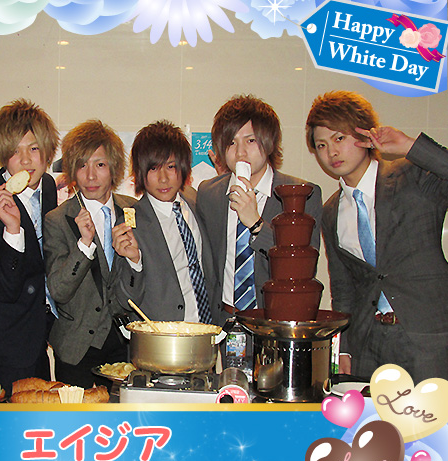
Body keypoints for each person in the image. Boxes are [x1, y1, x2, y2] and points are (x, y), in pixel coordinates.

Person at [306, 90, 448, 380]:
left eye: (339, 138)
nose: (331, 152)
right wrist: (344, 348)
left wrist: (409, 145)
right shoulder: (331, 210)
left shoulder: (412, 176)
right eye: (321, 145)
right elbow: (344, 287)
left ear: (364, 134)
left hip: (427, 338)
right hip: (368, 344)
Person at [197, 95, 322, 327]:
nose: (240, 152)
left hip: (276, 323)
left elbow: (304, 268)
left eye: (251, 140)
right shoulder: (209, 194)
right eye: (231, 142)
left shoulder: (302, 194)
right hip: (224, 322)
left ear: (269, 142)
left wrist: (256, 224)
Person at [0, 98, 59, 394]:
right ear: (2, 156)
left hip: (40, 334)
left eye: (34, 149)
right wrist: (13, 230)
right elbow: (4, 287)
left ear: (47, 152)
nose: (26, 160)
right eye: (15, 151)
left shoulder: (48, 187)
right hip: (6, 341)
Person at [44, 120, 139, 388]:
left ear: (114, 168)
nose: (90, 176)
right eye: (82, 165)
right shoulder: (58, 219)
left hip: (124, 344)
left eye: (100, 165)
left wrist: (135, 261)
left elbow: (145, 283)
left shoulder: (133, 211)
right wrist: (84, 246)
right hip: (76, 347)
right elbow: (58, 291)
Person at [117, 120, 215, 325]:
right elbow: (125, 301)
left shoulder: (197, 201)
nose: (163, 178)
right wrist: (134, 262)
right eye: (154, 168)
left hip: (208, 329)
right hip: (161, 337)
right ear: (140, 172)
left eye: (170, 167)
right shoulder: (130, 223)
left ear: (183, 167)